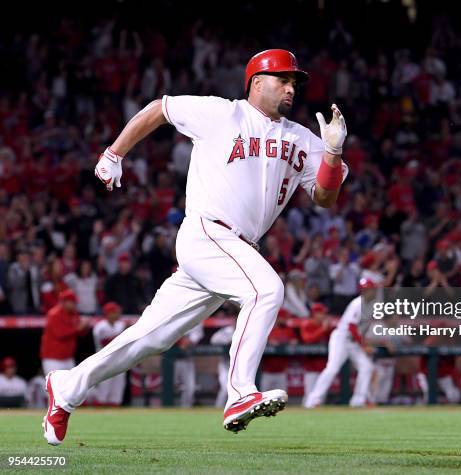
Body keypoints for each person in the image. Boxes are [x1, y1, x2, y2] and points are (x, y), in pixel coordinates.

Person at [43, 48, 348, 444]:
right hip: (207, 232)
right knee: (267, 289)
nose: (291, 88)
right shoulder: (223, 113)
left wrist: (334, 153)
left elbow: (324, 198)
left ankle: (68, 387)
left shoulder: (301, 138)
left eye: (294, 82)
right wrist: (114, 152)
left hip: (236, 248)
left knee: (151, 338)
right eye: (282, 79)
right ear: (256, 82)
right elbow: (160, 108)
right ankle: (239, 391)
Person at [304, 277, 377, 408]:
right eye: (366, 289)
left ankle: (358, 400)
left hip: (353, 341)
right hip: (341, 338)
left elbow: (360, 329)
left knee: (366, 367)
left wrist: (364, 342)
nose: (369, 291)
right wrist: (364, 346)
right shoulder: (357, 303)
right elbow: (351, 327)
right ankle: (313, 399)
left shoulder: (370, 305)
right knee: (332, 368)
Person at [39, 289, 89, 375]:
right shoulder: (54, 314)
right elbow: (60, 334)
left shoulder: (74, 314)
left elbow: (81, 334)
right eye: (72, 302)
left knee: (71, 386)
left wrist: (85, 327)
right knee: (55, 386)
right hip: (53, 359)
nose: (74, 304)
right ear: (65, 302)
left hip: (68, 357)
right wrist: (78, 328)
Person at [91, 302, 127, 406]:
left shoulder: (120, 324)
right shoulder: (100, 326)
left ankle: (115, 403)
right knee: (105, 382)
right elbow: (106, 342)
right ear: (108, 313)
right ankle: (101, 403)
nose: (118, 314)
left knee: (119, 382)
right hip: (104, 358)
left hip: (119, 358)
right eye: (115, 312)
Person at [299, 302, 332, 406]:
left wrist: (326, 329)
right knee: (310, 396)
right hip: (311, 368)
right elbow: (307, 339)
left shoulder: (327, 326)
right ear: (315, 313)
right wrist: (322, 330)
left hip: (323, 367)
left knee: (321, 397)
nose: (324, 315)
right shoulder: (307, 324)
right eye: (321, 313)